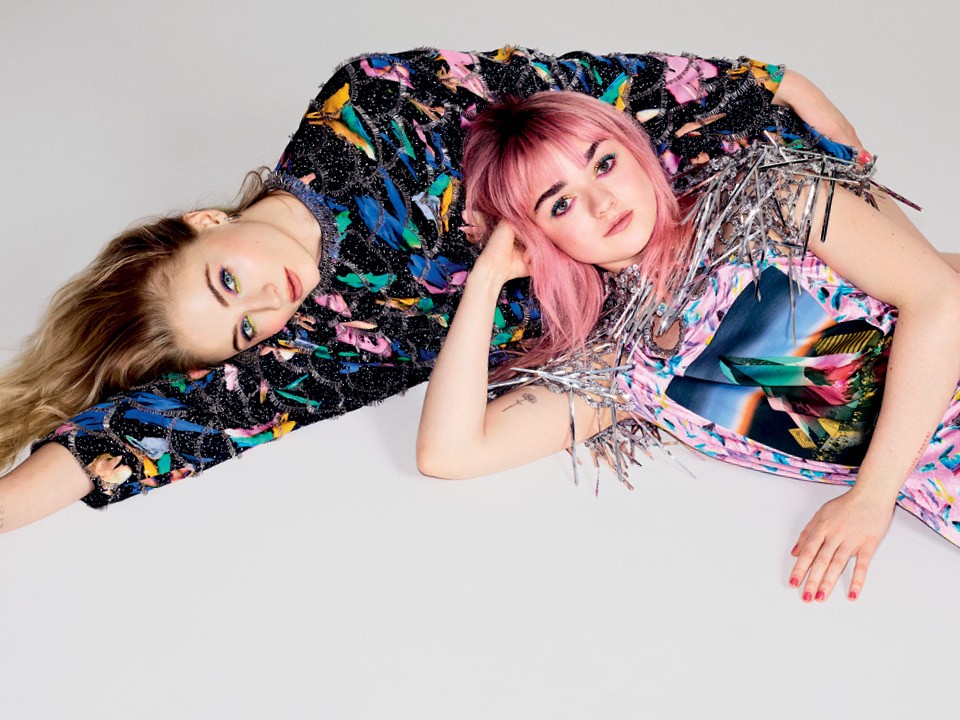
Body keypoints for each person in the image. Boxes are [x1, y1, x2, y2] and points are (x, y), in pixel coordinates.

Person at [0, 46, 867, 535]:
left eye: (228, 280)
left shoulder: (367, 106)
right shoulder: (318, 343)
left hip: (727, 206)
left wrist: (773, 86)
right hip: (688, 338)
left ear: (202, 220)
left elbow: (573, 95)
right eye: (245, 330)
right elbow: (155, 429)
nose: (266, 303)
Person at [415, 90, 960, 604]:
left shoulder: (769, 200)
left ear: (636, 152)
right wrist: (488, 276)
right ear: (537, 239)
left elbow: (940, 300)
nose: (602, 203)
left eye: (604, 164)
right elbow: (450, 452)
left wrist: (871, 497)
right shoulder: (624, 367)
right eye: (561, 205)